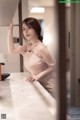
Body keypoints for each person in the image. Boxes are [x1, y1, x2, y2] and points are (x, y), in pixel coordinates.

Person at [7, 17, 56, 98]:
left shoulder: (41, 48)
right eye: (23, 29)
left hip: (49, 88)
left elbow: (53, 65)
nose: (26, 31)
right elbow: (11, 51)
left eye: (29, 28)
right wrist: (10, 30)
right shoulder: (29, 45)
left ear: (36, 29)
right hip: (38, 85)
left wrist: (37, 76)